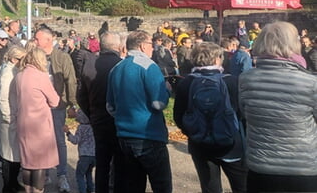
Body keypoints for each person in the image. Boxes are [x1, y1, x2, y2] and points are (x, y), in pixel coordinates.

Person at [239, 22, 317, 192]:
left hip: (260, 167)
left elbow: (244, 113)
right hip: (302, 167)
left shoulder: (246, 79)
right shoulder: (311, 83)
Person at [173, 42, 247, 193]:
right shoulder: (232, 81)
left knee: (210, 188)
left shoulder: (186, 83)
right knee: (242, 186)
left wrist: (194, 132)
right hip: (231, 144)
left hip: (200, 144)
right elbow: (242, 113)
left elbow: (179, 117)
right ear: (218, 59)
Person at [106, 30, 172, 193]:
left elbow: (110, 106)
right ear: (143, 46)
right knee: (161, 185)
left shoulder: (116, 68)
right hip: (148, 135)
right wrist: (167, 90)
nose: (154, 48)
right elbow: (158, 103)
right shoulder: (149, 66)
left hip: (124, 135)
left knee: (134, 184)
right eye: (151, 44)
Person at [77, 31, 123, 193]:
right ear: (118, 46)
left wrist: (91, 114)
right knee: (119, 162)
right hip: (118, 120)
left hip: (98, 119)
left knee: (102, 163)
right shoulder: (121, 65)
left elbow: (81, 96)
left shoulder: (89, 65)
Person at [34, 26, 77, 192]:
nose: (35, 42)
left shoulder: (62, 57)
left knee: (59, 140)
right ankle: (44, 173)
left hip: (57, 105)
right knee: (41, 140)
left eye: (37, 39)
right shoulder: (34, 57)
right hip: (39, 105)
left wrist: (71, 103)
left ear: (48, 40)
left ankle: (62, 175)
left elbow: (70, 80)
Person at [16, 47, 60, 193]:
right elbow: (55, 101)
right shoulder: (41, 76)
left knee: (27, 162)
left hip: (23, 122)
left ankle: (28, 190)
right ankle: (38, 191)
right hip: (39, 124)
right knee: (40, 163)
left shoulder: (19, 76)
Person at [0, 46, 26, 193]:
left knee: (15, 155)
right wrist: (8, 117)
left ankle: (13, 182)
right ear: (14, 59)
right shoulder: (7, 73)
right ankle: (8, 186)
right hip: (9, 118)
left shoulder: (14, 71)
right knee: (8, 155)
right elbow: (3, 98)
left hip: (15, 116)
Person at [65, 109, 95, 193]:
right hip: (94, 155)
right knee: (88, 173)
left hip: (84, 156)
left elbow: (75, 140)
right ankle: (91, 189)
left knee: (80, 175)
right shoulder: (93, 127)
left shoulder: (81, 128)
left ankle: (82, 190)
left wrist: (68, 133)